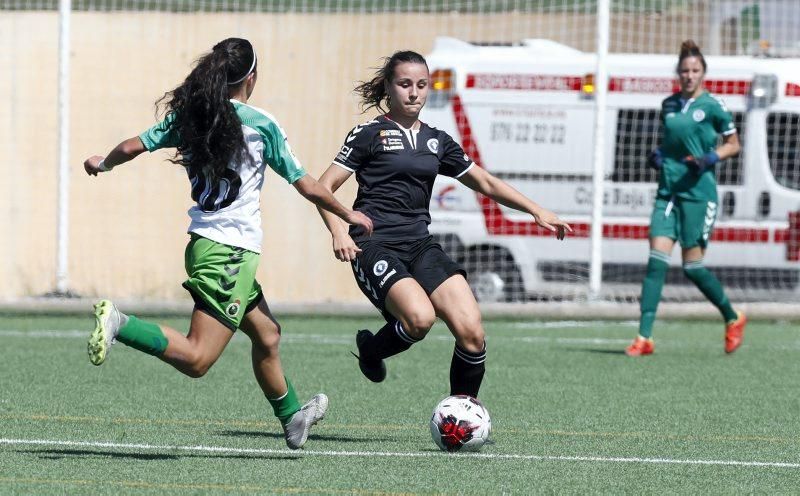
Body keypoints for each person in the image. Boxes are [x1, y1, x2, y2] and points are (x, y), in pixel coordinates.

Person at [82, 38, 373, 449]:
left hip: (207, 245)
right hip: (229, 252)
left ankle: (292, 418)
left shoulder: (191, 117)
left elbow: (132, 146)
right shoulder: (261, 124)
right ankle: (120, 324)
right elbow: (308, 185)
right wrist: (349, 215)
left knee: (268, 335)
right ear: (251, 77)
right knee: (199, 358)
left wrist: (103, 162)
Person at [315, 50, 571, 398]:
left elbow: (485, 182)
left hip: (420, 245)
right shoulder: (368, 134)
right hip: (375, 244)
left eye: (422, 85)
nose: (414, 92)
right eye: (405, 84)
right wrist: (339, 230)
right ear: (389, 87)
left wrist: (536, 210)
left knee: (472, 330)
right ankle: (372, 351)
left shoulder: (437, 141)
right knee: (419, 319)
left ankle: (462, 414)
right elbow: (322, 188)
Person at [626, 40, 745, 357]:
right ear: (678, 74)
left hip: (699, 194)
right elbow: (671, 144)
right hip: (668, 192)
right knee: (655, 262)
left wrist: (711, 157)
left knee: (692, 267)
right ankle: (644, 337)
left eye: (695, 70)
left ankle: (733, 318)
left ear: (703, 73)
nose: (689, 75)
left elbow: (734, 144)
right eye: (684, 71)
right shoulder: (668, 105)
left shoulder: (714, 106)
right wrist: (659, 156)